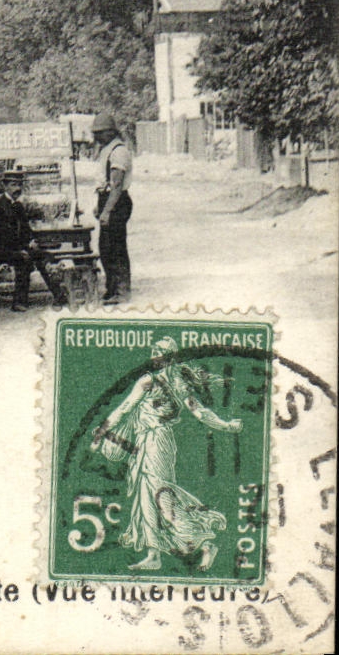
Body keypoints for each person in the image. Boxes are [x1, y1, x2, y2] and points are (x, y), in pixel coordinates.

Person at [92, 337, 241, 571]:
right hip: (151, 442)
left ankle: (204, 544)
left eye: (158, 351)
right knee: (147, 498)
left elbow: (125, 408)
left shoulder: (150, 381)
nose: (154, 354)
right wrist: (227, 425)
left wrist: (102, 430)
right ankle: (154, 555)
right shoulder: (177, 381)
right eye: (153, 350)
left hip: (155, 442)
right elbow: (199, 412)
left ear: (169, 356)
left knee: (162, 497)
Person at [0, 170, 69, 310]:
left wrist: (31, 241)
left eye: (19, 185)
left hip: (19, 248)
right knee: (23, 259)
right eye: (13, 185)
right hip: (0, 250)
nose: (17, 188)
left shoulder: (18, 206)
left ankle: (59, 295)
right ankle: (19, 302)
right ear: (5, 186)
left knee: (45, 257)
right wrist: (18, 250)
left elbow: (25, 229)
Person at [91, 112, 133, 304]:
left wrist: (107, 210)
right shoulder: (106, 149)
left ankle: (121, 291)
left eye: (100, 133)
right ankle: (112, 288)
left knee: (115, 247)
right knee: (106, 248)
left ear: (110, 132)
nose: (96, 137)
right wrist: (99, 205)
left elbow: (116, 185)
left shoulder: (119, 151)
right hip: (107, 200)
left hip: (116, 202)